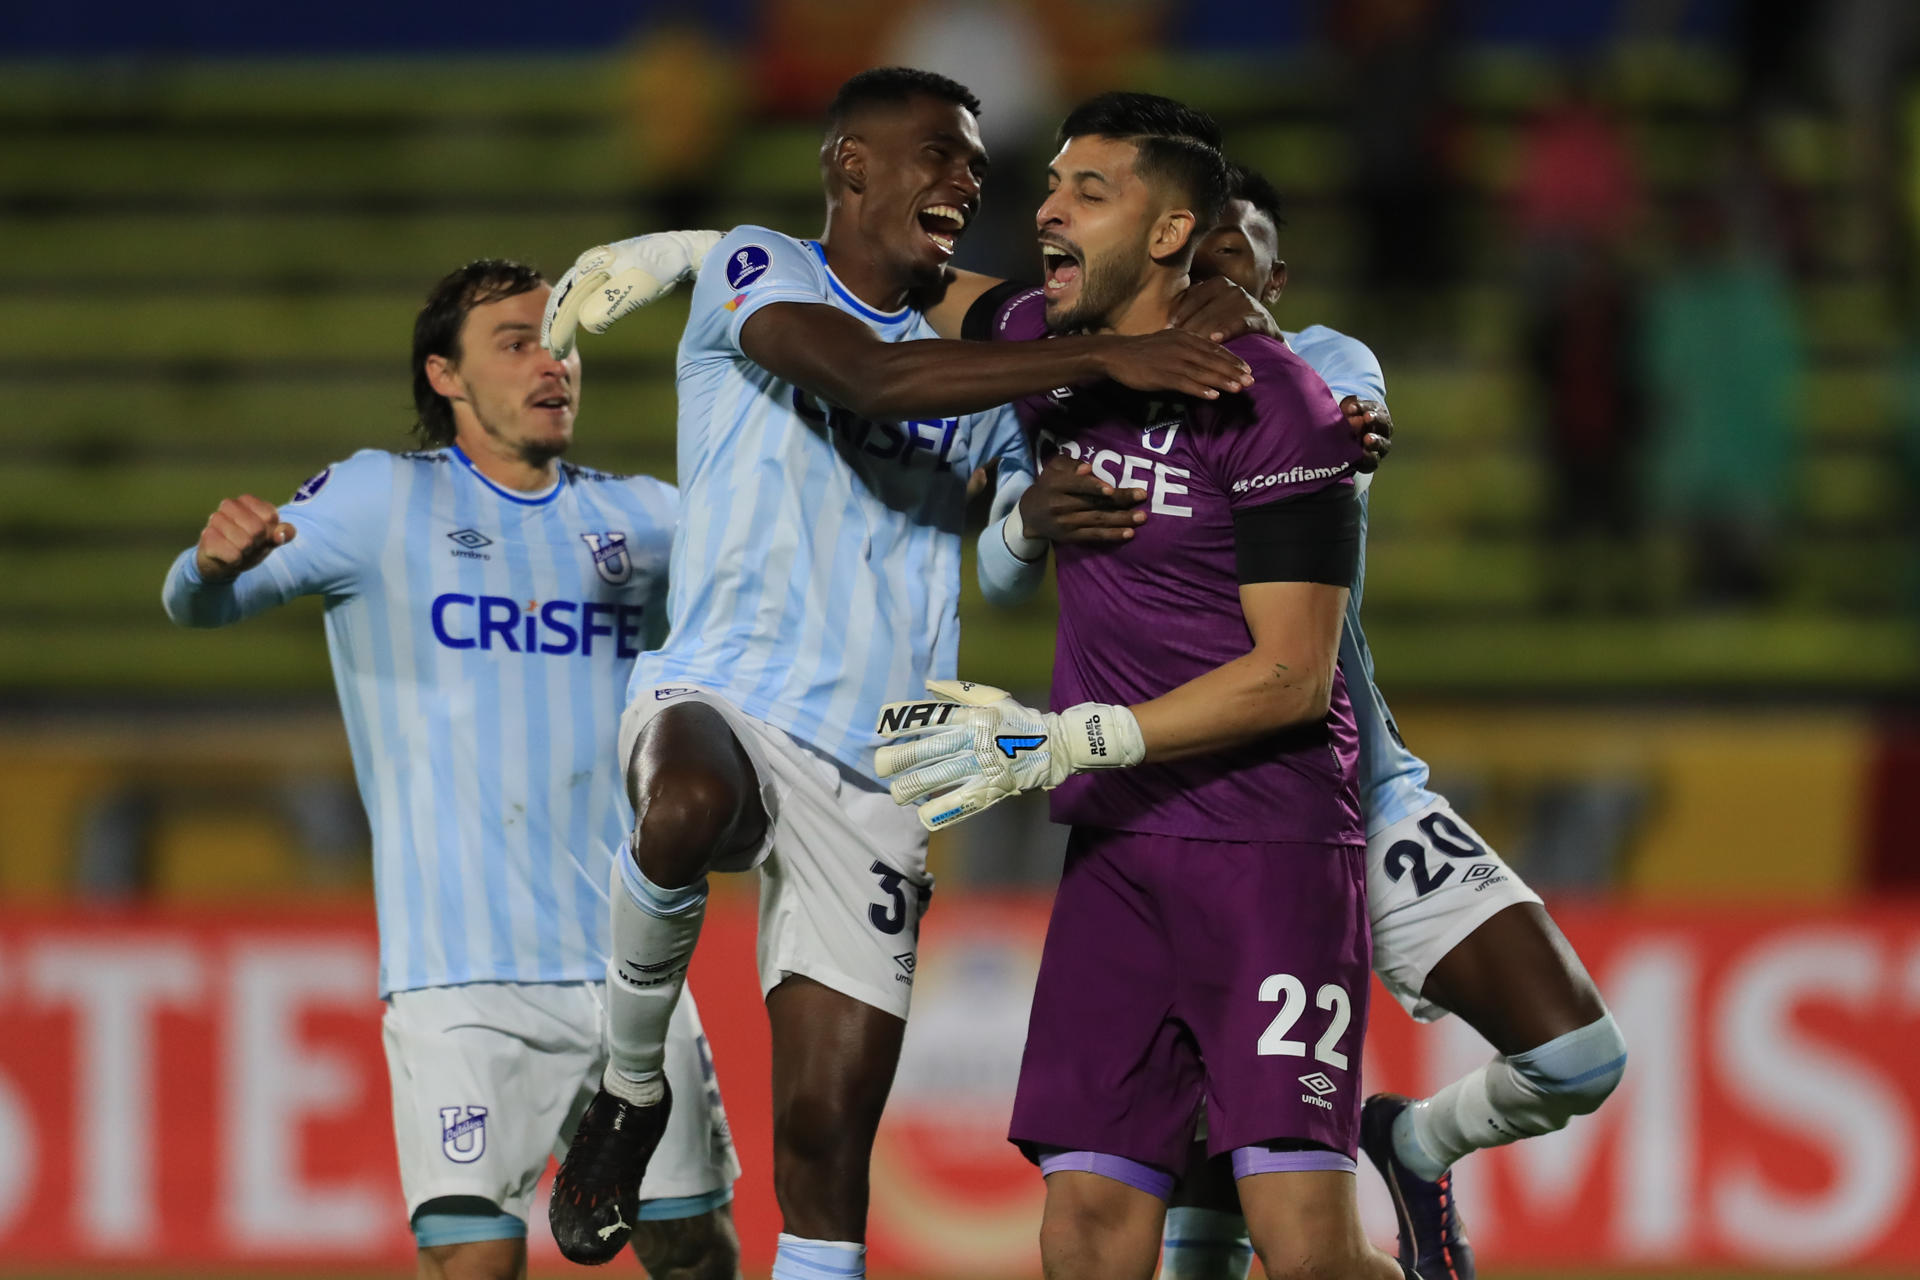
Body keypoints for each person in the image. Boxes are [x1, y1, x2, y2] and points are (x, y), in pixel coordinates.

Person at [538, 68, 1264, 1277]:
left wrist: (1039, 510)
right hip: (723, 688)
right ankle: (625, 1092)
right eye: (937, 152)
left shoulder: (987, 369)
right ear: (850, 165)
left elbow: (1004, 548)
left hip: (881, 761)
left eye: (977, 163)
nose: (966, 179)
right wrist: (1105, 364)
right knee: (686, 803)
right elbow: (870, 376)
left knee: (825, 1148)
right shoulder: (759, 269)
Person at [1001, 160, 1630, 1280]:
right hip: (1185, 828)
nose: (1212, 276)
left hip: (1343, 797)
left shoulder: (1314, 370)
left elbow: (1341, 428)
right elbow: (1016, 552)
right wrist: (1021, 522)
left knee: (1578, 1051)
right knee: (1212, 1233)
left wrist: (1329, 423)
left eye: (1236, 257)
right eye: (1198, 255)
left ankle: (1418, 1140)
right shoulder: (1094, 381)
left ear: (1272, 276)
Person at [875, 92, 1407, 1280]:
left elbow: (1289, 674)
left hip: (1266, 855)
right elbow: (907, 285)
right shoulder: (1052, 353)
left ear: (1170, 233)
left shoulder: (1276, 403)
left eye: (1088, 191)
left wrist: (1074, 737)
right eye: (1054, 184)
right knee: (1088, 1231)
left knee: (1306, 1245)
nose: (1048, 207)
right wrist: (715, 262)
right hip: (1118, 858)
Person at [161, 260, 742, 1280]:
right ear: (445, 374)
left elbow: (778, 589)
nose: (552, 363)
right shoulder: (381, 499)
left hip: (631, 976)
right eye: (517, 342)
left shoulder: (646, 521)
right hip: (458, 978)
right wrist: (211, 566)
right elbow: (196, 608)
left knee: (695, 1252)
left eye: (562, 341)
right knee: (472, 1259)